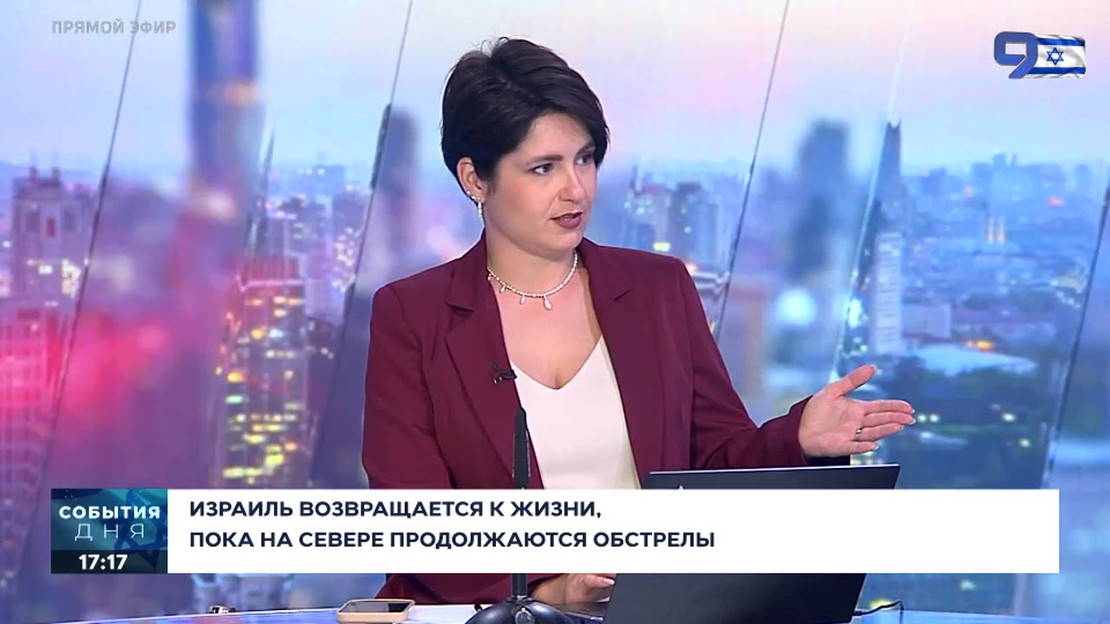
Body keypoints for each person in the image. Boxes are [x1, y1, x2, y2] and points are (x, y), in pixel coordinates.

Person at [362, 37, 915, 607]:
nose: (575, 189)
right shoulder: (414, 315)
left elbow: (714, 461)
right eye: (543, 168)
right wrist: (549, 590)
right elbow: (415, 518)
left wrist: (795, 438)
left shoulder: (658, 290)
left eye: (584, 159)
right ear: (475, 179)